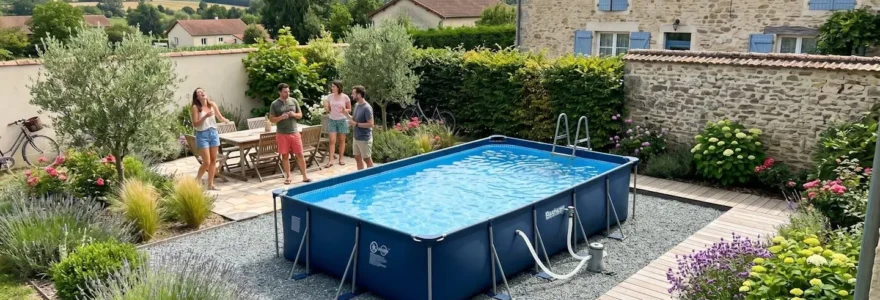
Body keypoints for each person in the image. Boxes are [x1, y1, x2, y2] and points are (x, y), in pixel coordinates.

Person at [268, 83, 312, 184]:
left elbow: (300, 115)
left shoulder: (294, 101)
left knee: (300, 154)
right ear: (280, 92)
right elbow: (271, 119)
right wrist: (281, 117)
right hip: (282, 134)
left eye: (288, 91)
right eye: (285, 92)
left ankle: (305, 176)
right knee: (285, 156)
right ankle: (288, 177)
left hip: (294, 132)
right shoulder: (274, 104)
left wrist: (294, 114)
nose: (287, 93)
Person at [191, 87, 229, 190]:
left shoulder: (212, 105)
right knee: (207, 162)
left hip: (213, 133)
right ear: (197, 97)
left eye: (202, 91)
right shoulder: (196, 107)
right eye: (199, 92)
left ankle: (210, 184)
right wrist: (205, 117)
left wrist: (225, 120)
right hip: (202, 135)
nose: (201, 93)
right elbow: (195, 124)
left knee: (213, 160)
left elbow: (219, 117)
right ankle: (197, 179)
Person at [323, 80, 352, 168]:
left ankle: (341, 159)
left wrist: (345, 110)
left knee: (342, 141)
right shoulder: (329, 97)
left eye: (333, 86)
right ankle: (330, 160)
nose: (332, 88)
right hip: (332, 120)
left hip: (342, 120)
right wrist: (326, 108)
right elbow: (328, 109)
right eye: (332, 86)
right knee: (332, 141)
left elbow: (349, 109)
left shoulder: (345, 97)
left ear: (338, 87)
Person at [346, 85, 374, 170]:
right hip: (356, 137)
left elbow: (371, 124)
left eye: (353, 93)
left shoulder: (367, 108)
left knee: (367, 159)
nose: (351, 95)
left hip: (364, 138)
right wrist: (346, 114)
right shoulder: (357, 105)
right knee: (357, 158)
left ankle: (372, 175)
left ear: (359, 94)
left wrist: (356, 124)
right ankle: (360, 175)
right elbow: (354, 119)